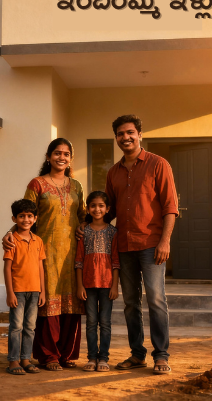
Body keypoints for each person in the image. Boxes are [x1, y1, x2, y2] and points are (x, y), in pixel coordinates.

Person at [77, 115, 178, 375]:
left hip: (152, 244)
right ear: (117, 138)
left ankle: (161, 355)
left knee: (156, 300)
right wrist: (86, 225)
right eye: (121, 134)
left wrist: (165, 241)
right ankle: (137, 354)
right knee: (131, 302)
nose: (126, 137)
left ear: (140, 134)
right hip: (123, 245)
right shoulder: (113, 172)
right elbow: (107, 212)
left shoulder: (159, 164)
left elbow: (170, 207)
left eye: (130, 132)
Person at [3, 138, 86, 371]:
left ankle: (66, 354)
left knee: (71, 305)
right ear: (49, 157)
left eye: (66, 154)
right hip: (44, 253)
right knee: (48, 303)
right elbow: (24, 214)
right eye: (57, 153)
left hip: (72, 253)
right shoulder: (37, 184)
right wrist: (9, 235)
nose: (62, 157)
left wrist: (86, 228)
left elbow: (83, 215)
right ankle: (48, 355)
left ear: (71, 158)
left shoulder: (77, 186)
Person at [75, 191, 120, 373]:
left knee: (105, 323)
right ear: (88, 208)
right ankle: (92, 358)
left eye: (101, 206)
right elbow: (78, 260)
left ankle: (104, 358)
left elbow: (116, 261)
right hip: (88, 285)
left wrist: (115, 285)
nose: (97, 209)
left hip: (107, 285)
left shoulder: (113, 232)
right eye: (93, 205)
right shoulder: (83, 231)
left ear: (108, 209)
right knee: (91, 322)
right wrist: (80, 285)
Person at [3, 199, 46, 375]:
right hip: (18, 292)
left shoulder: (38, 241)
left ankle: (26, 359)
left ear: (35, 218)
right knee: (16, 327)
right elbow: (7, 267)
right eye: (21, 216)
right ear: (14, 218)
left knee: (30, 327)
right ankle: (13, 361)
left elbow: (40, 267)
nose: (26, 220)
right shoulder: (12, 241)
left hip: (35, 291)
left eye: (29, 216)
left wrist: (42, 291)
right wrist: (10, 293)